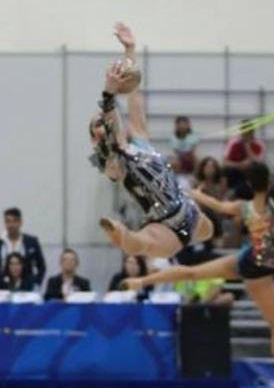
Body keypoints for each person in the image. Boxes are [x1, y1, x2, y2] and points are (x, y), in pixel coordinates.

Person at [123, 127, 274, 388]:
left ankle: (142, 281)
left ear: (251, 185)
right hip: (260, 272)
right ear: (270, 181)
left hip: (245, 259)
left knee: (192, 272)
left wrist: (191, 192)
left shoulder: (243, 207)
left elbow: (216, 205)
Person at [91, 22, 214, 259]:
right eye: (96, 125)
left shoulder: (139, 140)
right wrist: (108, 95)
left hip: (188, 210)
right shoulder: (116, 164)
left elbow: (134, 96)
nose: (103, 124)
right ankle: (122, 234)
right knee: (142, 243)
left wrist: (130, 51)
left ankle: (128, 236)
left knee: (211, 231)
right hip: (164, 228)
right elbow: (113, 133)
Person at [0, 207, 46, 289]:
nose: (11, 225)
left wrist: (36, 283)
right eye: (8, 221)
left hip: (26, 287)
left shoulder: (31, 242)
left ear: (20, 222)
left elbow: (41, 266)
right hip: (1, 286)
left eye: (14, 221)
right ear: (4, 223)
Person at [221, 123, 267, 196]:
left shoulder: (259, 144)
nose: (246, 135)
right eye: (244, 133)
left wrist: (247, 147)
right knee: (224, 171)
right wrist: (239, 165)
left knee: (258, 173)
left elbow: (259, 163)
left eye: (249, 133)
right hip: (236, 170)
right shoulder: (233, 142)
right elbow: (225, 162)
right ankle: (223, 195)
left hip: (250, 173)